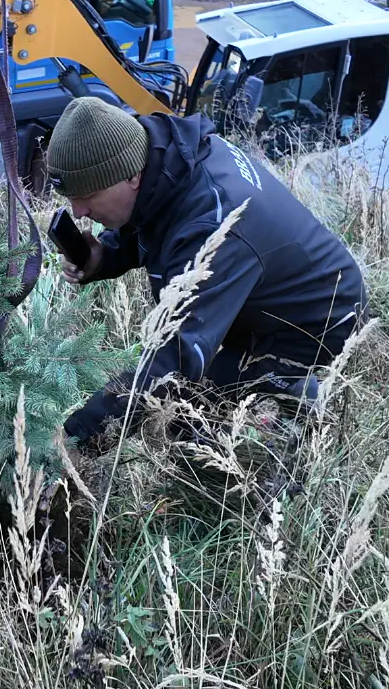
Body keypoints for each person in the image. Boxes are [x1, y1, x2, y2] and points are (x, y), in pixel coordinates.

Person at [46, 97, 367, 444]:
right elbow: (163, 220)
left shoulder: (218, 223)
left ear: (132, 174)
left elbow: (176, 361)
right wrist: (106, 255)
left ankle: (292, 410)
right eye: (72, 198)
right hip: (257, 299)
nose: (78, 212)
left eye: (89, 195)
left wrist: (78, 435)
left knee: (187, 414)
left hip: (319, 321)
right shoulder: (172, 159)